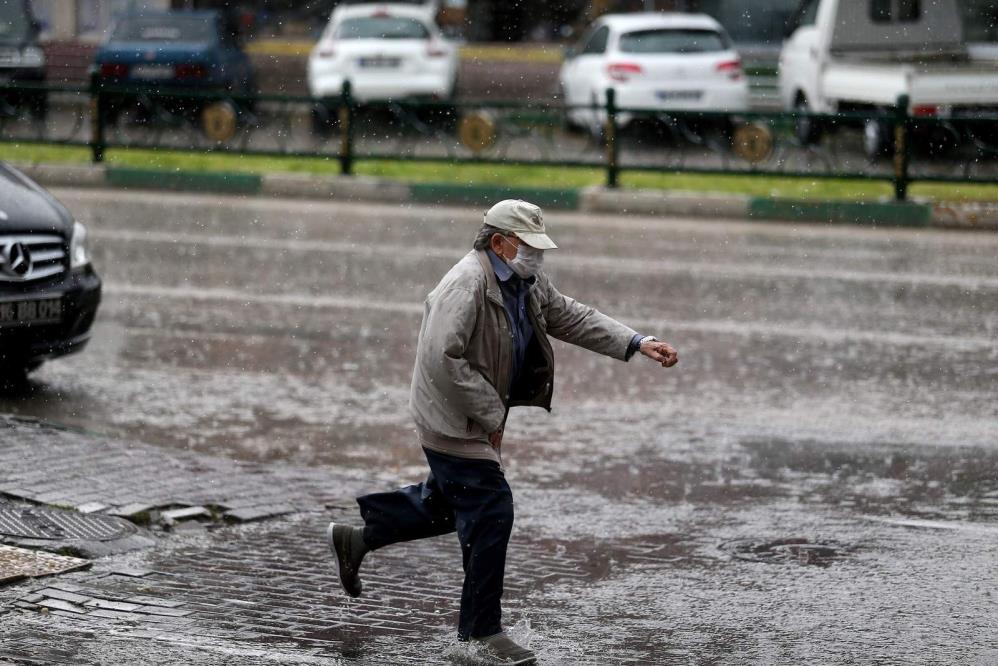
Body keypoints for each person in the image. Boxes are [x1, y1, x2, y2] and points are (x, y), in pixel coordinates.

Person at [327, 199, 679, 665]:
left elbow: (568, 315)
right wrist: (492, 415)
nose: (535, 255)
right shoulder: (465, 284)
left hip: (477, 416)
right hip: (450, 419)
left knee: (448, 505)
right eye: (527, 246)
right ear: (498, 242)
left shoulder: (524, 281)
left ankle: (359, 538)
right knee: (492, 509)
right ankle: (479, 633)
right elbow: (441, 360)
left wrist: (636, 342)